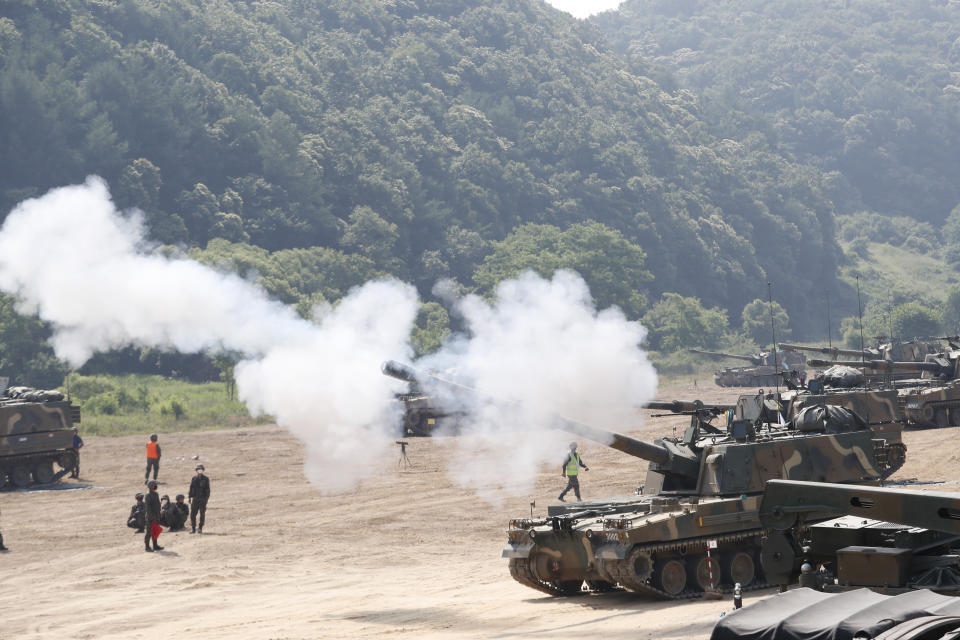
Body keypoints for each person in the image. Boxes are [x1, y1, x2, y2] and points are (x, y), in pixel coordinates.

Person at [189, 464, 210, 534]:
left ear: (203, 470)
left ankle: (200, 527)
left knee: (202, 513)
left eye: (200, 469)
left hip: (202, 499)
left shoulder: (206, 479)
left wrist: (206, 499)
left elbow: (208, 490)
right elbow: (191, 488)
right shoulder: (194, 478)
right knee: (192, 514)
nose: (199, 470)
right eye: (198, 469)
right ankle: (193, 528)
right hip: (195, 499)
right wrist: (189, 497)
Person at [144, 479, 164, 552]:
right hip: (150, 517)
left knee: (155, 531)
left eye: (155, 485)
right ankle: (147, 547)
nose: (155, 486)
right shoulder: (148, 495)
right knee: (149, 532)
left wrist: (159, 512)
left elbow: (158, 504)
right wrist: (151, 517)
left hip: (156, 515)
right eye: (153, 485)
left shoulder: (156, 494)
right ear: (150, 486)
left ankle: (155, 546)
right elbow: (148, 508)